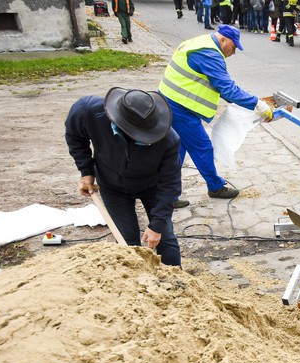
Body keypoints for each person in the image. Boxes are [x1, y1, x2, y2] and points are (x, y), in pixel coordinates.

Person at [65, 88, 182, 267]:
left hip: (152, 186)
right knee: (127, 242)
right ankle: (136, 285)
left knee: (165, 238)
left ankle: (178, 284)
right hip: (112, 187)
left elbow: (170, 186)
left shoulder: (169, 140)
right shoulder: (88, 112)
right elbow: (75, 136)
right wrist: (86, 171)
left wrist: (156, 226)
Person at [158, 25, 273, 205]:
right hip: (180, 108)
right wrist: (257, 103)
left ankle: (167, 197)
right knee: (202, 148)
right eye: (234, 47)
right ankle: (215, 187)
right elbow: (227, 89)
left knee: (176, 151)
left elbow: (222, 89)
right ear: (223, 40)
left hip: (170, 101)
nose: (233, 53)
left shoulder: (200, 42)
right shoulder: (209, 53)